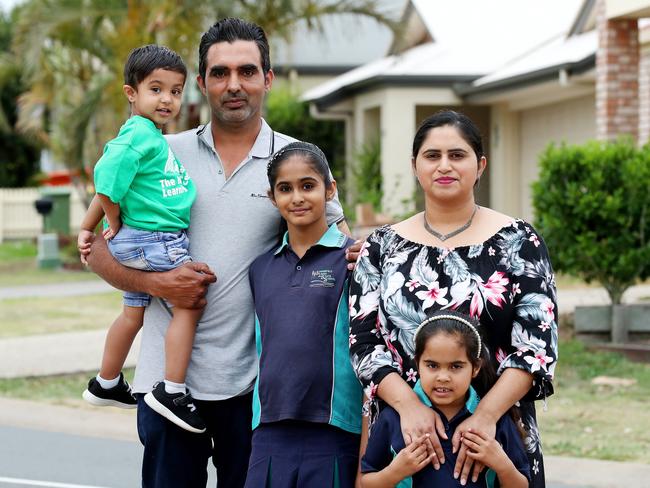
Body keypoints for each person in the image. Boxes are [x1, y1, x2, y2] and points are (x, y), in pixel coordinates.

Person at [84, 18, 357, 488]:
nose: (234, 85)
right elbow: (98, 252)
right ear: (203, 83)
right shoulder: (158, 149)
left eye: (247, 71)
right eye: (220, 73)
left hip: (254, 387)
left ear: (267, 79)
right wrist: (155, 283)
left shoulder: (296, 161)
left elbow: (338, 246)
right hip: (165, 386)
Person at [349, 109, 557, 487]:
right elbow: (364, 344)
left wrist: (485, 417)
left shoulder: (519, 242)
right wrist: (410, 407)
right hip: (406, 440)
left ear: (480, 165)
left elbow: (536, 348)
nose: (444, 165)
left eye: (457, 155)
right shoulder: (382, 246)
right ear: (415, 165)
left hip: (496, 439)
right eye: (432, 156)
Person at [78, 44, 206, 434]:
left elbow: (112, 184)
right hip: (155, 240)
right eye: (156, 89)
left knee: (133, 313)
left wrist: (88, 227)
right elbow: (106, 178)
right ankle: (172, 390)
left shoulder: (148, 135)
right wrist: (112, 218)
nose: (167, 99)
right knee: (190, 301)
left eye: (175, 90)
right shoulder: (138, 134)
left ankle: (107, 381)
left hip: (144, 239)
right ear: (131, 93)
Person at [244, 142, 363, 488]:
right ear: (272, 198)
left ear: (330, 190)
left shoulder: (354, 260)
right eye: (285, 189)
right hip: (269, 428)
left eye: (308, 186)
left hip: (334, 429)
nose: (297, 197)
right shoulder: (261, 268)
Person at [361, 311, 530, 488]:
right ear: (418, 363)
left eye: (456, 366)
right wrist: (395, 472)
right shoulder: (393, 418)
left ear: (475, 368)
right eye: (432, 365)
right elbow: (366, 482)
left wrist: (502, 465)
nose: (443, 377)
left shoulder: (495, 423)